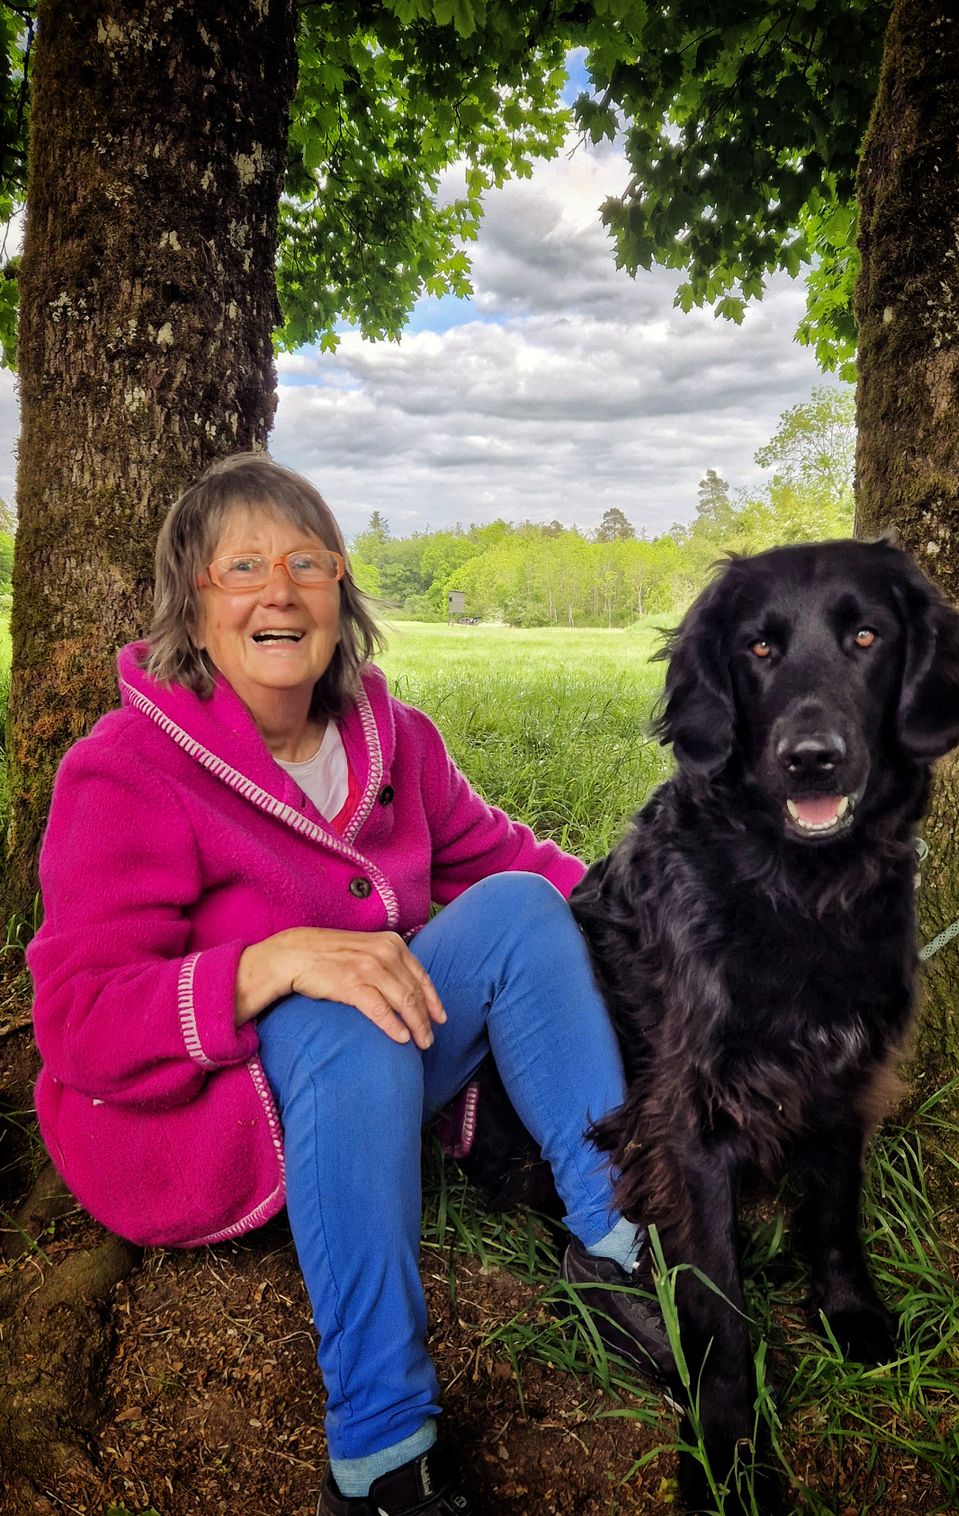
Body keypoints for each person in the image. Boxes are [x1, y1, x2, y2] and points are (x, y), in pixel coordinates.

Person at [28, 453, 672, 1516]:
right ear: (193, 600)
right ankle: (378, 1457)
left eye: (306, 562)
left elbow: (506, 856)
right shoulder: (123, 768)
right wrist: (272, 960)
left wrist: (663, 908)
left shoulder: (393, 737)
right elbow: (79, 1018)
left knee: (516, 908)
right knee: (339, 991)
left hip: (372, 1079)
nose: (278, 589)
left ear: (339, 593)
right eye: (242, 566)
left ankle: (618, 1247)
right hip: (214, 1118)